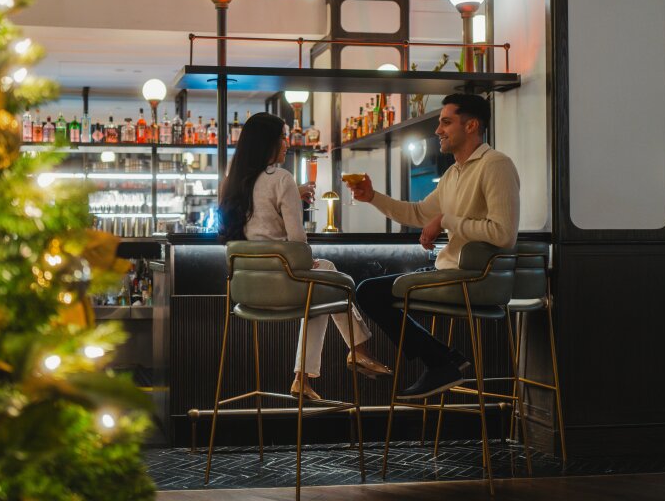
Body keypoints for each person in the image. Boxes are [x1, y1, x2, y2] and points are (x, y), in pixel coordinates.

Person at [349, 93, 519, 399]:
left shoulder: (496, 165)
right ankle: (443, 360)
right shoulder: (453, 173)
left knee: (370, 292)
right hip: (450, 271)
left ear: (472, 126)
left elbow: (504, 234)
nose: (438, 130)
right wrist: (373, 197)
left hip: (474, 278)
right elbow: (417, 214)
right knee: (370, 291)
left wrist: (446, 220)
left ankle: (442, 361)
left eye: (446, 122)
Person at [219, 112, 391, 401]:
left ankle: (304, 378)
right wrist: (303, 259)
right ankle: (357, 350)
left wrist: (290, 195)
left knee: (322, 281)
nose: (287, 143)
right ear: (268, 143)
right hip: (283, 285)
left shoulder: (230, 182)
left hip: (245, 290)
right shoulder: (282, 178)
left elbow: (256, 218)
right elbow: (298, 241)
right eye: (283, 137)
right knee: (327, 279)